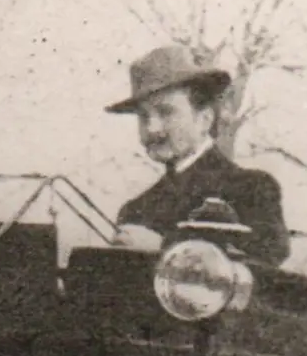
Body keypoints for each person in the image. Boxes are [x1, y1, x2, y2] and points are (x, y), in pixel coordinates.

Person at [107, 44, 290, 267]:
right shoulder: (135, 210)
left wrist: (165, 247)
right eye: (144, 117)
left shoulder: (252, 189)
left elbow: (264, 267)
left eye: (166, 112)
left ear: (204, 119)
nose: (152, 128)